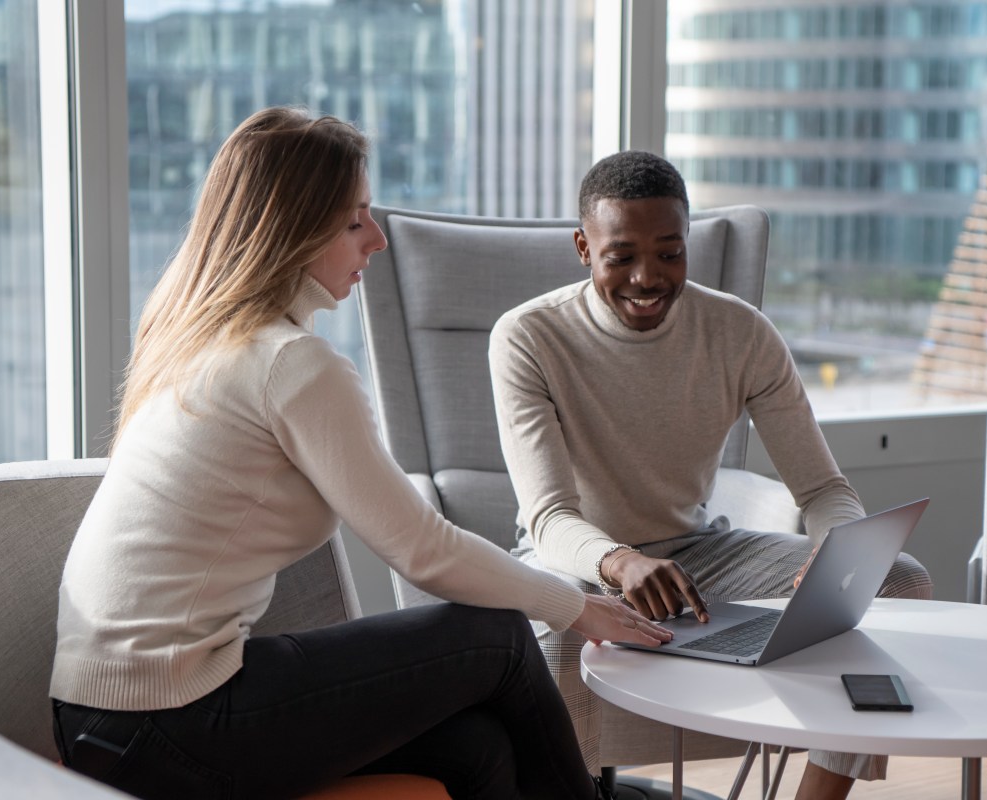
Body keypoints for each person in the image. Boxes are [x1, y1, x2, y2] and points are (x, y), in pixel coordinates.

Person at [48, 108, 672, 800]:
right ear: (291, 228)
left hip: (109, 721)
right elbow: (424, 551)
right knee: (496, 638)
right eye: (354, 221)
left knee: (476, 751)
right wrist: (576, 606)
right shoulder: (290, 364)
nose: (376, 240)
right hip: (166, 723)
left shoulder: (203, 339)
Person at [489, 150, 934, 800]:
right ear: (584, 247)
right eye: (622, 256)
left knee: (897, 579)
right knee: (563, 630)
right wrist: (618, 562)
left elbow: (822, 490)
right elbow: (550, 518)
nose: (648, 277)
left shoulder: (739, 333)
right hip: (575, 560)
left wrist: (835, 549)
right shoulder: (528, 337)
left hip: (697, 553)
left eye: (669, 253)